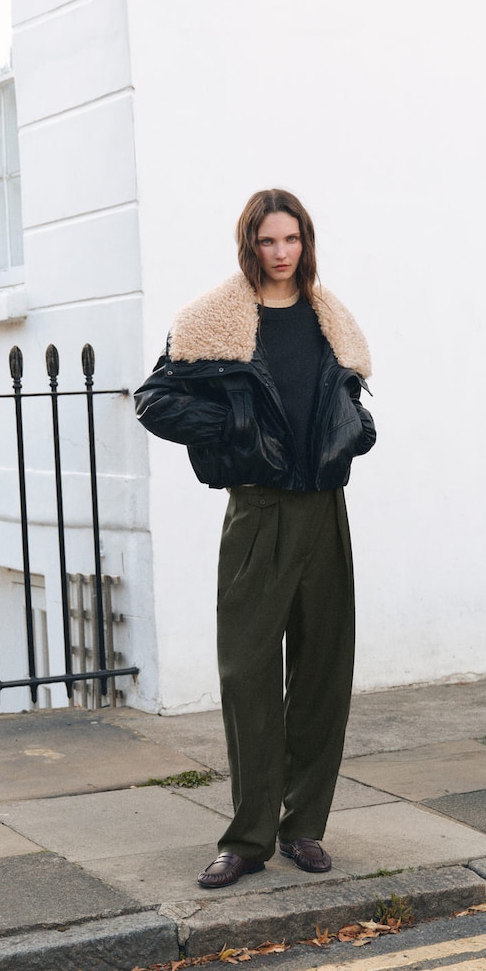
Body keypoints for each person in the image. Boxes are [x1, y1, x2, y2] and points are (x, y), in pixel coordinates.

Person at [134, 189, 376, 888]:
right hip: (258, 513)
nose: (280, 253)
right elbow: (156, 401)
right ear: (249, 244)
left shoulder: (332, 319)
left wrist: (354, 435)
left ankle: (305, 827)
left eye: (291, 239)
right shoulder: (213, 320)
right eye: (268, 241)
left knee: (323, 672)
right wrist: (238, 433)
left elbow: (351, 403)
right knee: (247, 674)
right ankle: (247, 838)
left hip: (325, 512)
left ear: (306, 243)